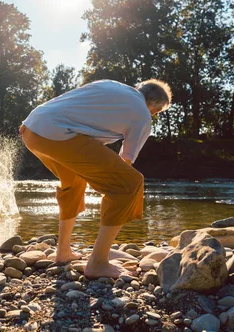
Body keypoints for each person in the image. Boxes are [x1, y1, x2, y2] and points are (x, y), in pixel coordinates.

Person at [19, 79, 172, 279]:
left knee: (74, 182)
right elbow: (125, 160)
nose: (153, 115)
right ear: (154, 108)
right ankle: (98, 263)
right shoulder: (142, 114)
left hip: (31, 129)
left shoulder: (110, 85)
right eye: (157, 112)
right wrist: (113, 191)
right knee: (129, 184)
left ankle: (63, 252)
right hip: (57, 134)